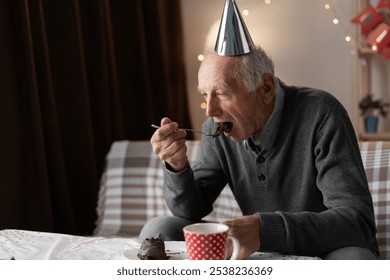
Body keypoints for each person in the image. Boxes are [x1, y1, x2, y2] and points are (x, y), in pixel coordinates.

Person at [140, 46, 378, 260]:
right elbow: (190, 211)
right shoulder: (216, 129)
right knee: (159, 229)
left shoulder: (322, 114)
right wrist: (177, 167)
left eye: (222, 93)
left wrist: (263, 229)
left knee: (355, 258)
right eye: (205, 95)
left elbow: (358, 222)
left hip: (323, 248)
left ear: (265, 88)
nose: (210, 111)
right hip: (259, 250)